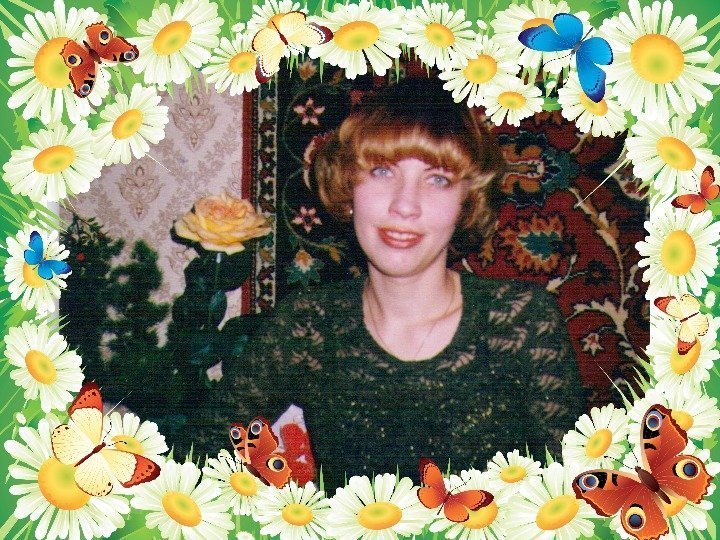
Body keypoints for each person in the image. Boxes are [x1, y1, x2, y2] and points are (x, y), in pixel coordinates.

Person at [192, 77, 586, 491]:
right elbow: (200, 458)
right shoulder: (309, 324)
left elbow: (576, 495)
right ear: (348, 189)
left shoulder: (523, 321)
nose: (404, 205)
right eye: (382, 171)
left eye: (438, 179)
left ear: (466, 203)